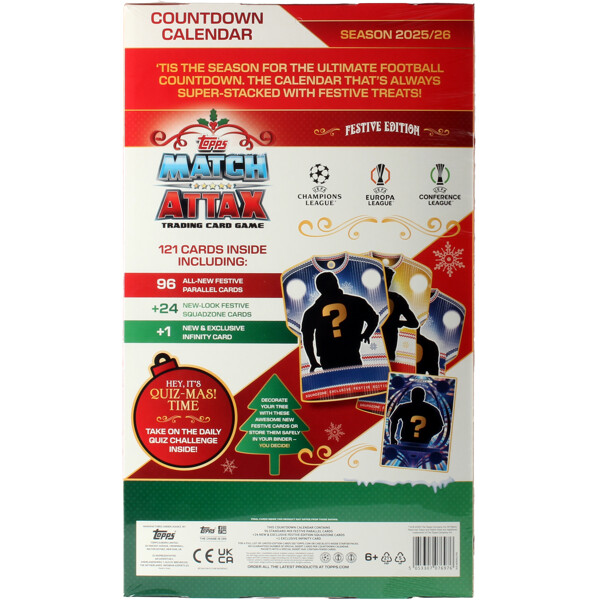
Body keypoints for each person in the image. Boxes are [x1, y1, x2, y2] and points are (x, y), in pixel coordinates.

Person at [301, 271, 379, 371]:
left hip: (328, 358)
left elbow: (307, 338)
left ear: (319, 288)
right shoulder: (357, 302)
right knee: (354, 379)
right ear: (336, 283)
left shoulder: (312, 311)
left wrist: (312, 361)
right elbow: (373, 319)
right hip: (351, 354)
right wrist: (366, 334)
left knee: (333, 381)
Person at [381, 267, 418, 360]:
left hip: (388, 346)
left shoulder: (397, 299)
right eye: (385, 280)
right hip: (373, 346)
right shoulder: (397, 298)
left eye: (389, 280)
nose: (387, 283)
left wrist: (397, 323)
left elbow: (414, 323)